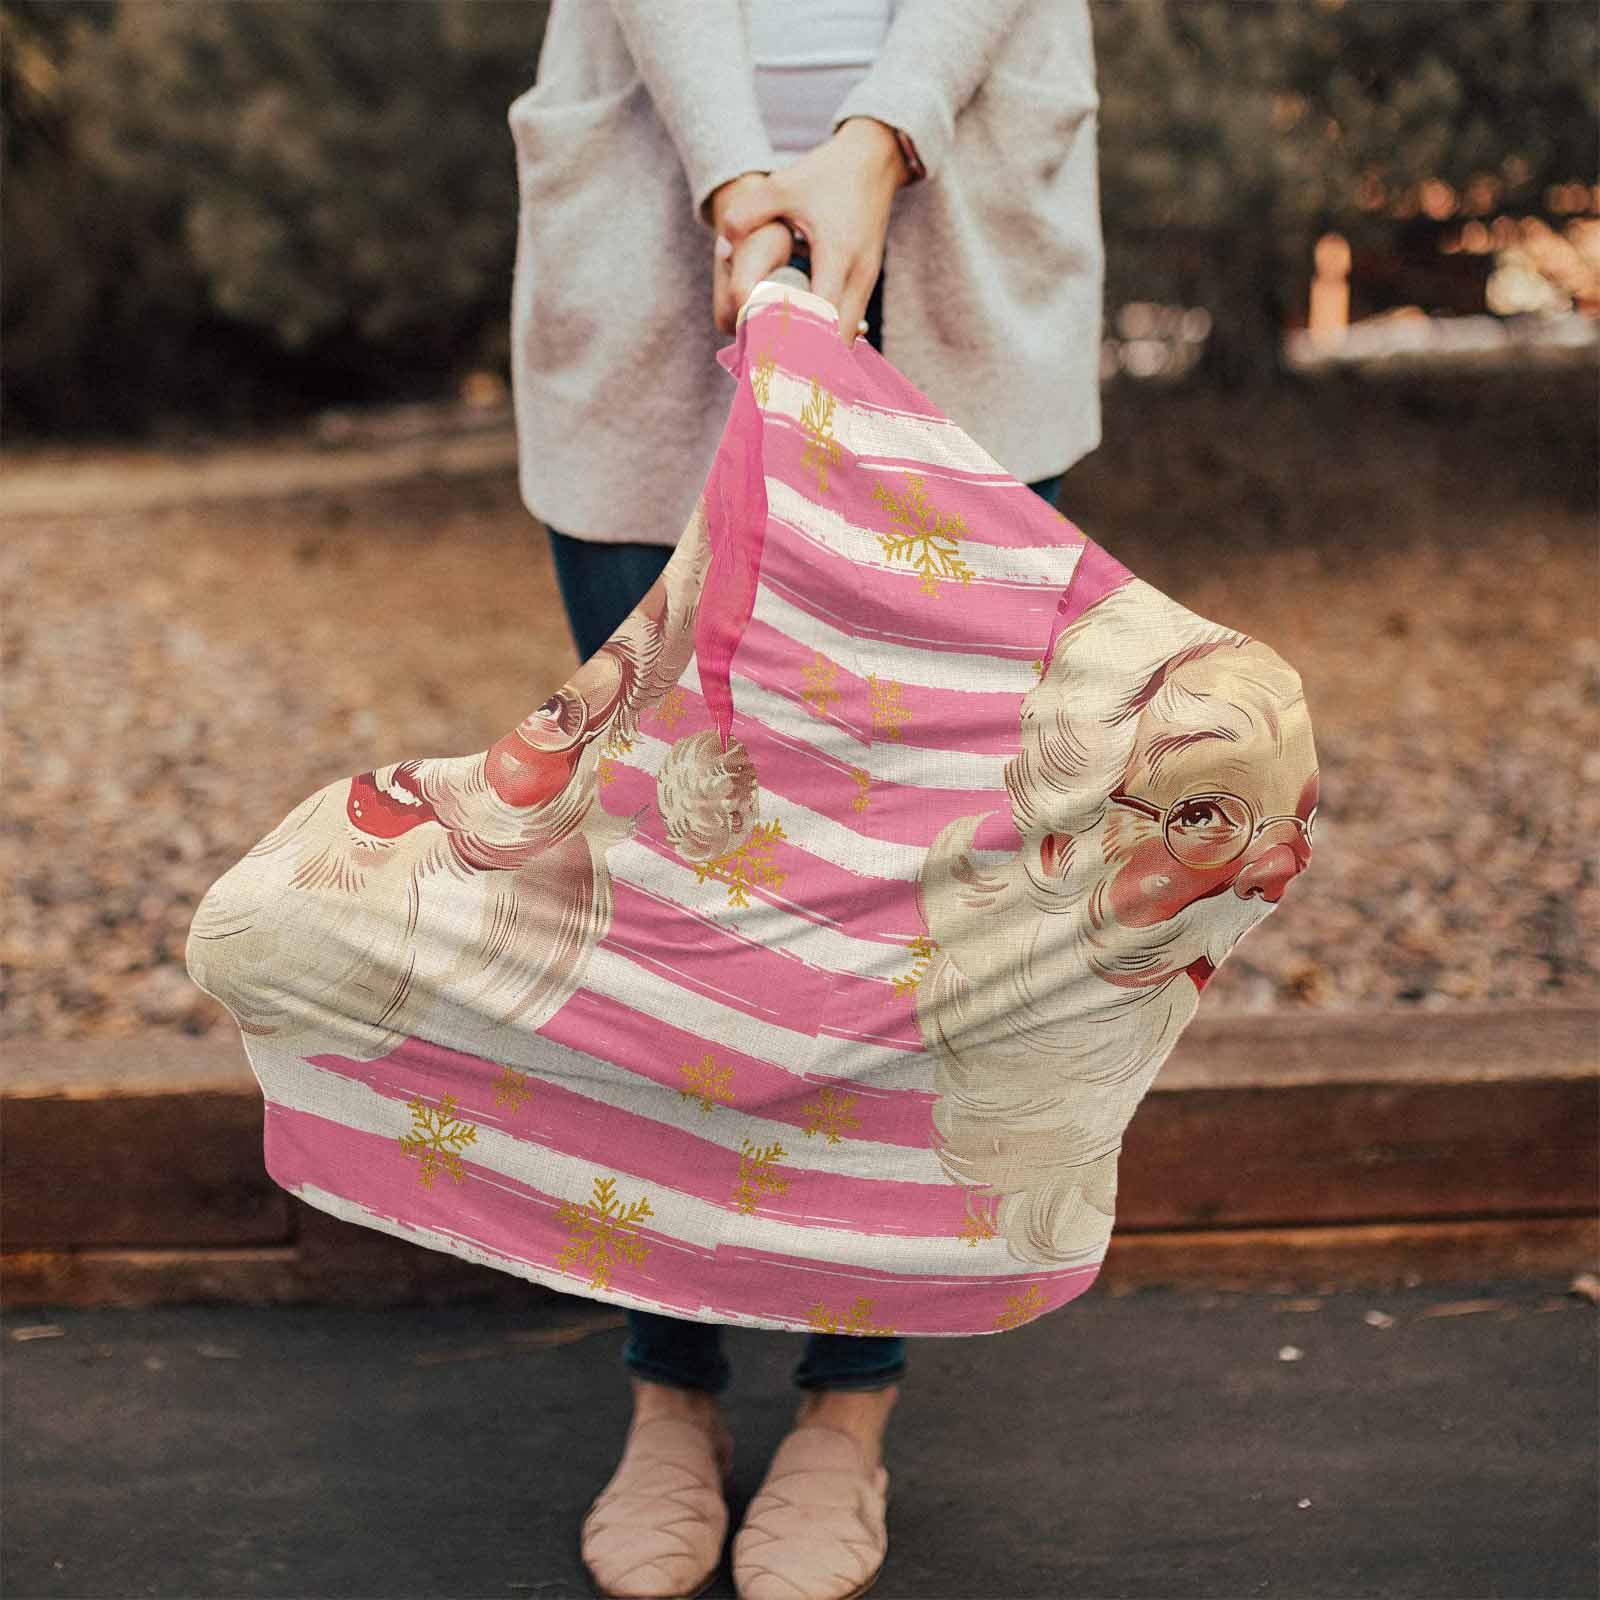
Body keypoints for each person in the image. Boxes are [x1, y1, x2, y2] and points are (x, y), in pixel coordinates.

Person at [506, 3, 1103, 1596]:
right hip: (657, 216)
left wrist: (878, 135)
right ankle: (670, 1387)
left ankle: (849, 1404)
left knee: (903, 878)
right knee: (671, 870)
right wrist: (734, 179)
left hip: (959, 223)